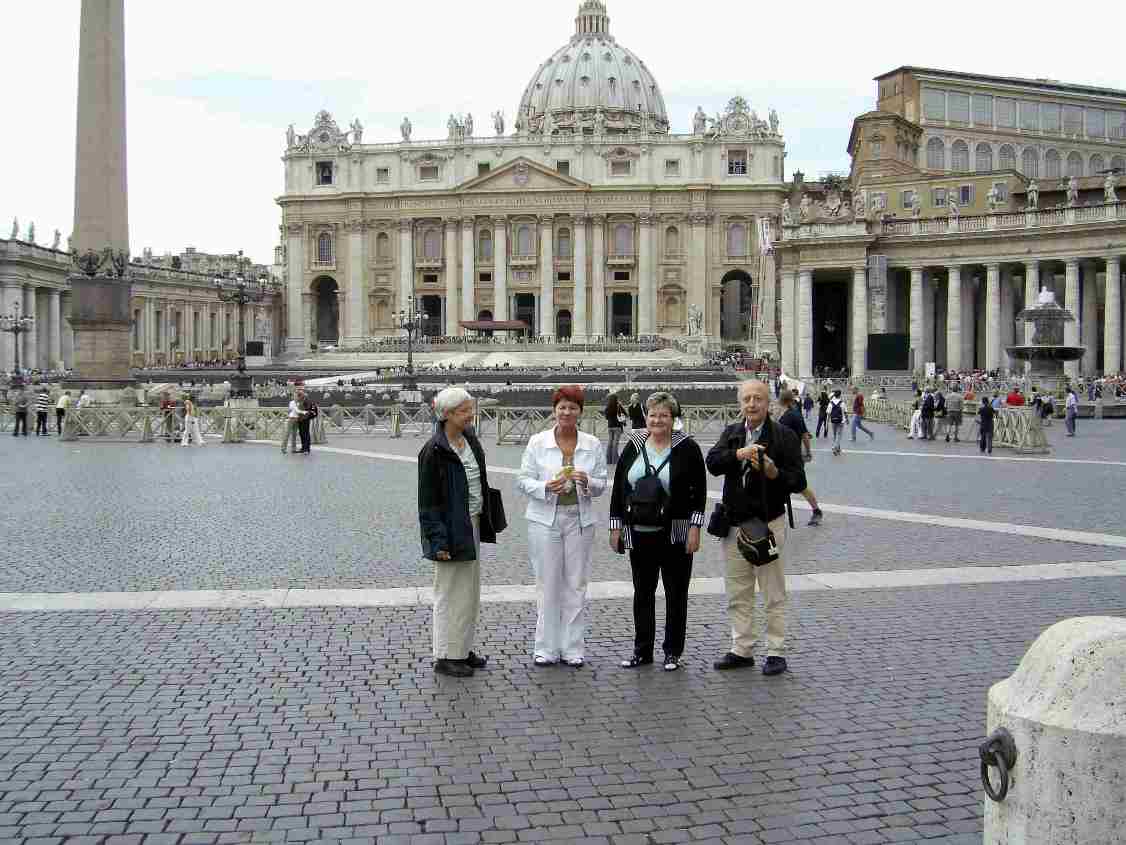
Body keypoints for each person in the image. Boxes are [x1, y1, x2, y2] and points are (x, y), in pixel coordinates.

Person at [707, 380, 806, 676]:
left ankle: (776, 650)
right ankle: (742, 648)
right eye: (747, 399)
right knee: (738, 590)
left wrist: (775, 473)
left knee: (773, 591)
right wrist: (737, 455)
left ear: (769, 403)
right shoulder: (733, 433)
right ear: (740, 403)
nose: (752, 404)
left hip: (768, 523)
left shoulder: (785, 436)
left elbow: (799, 481)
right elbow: (712, 462)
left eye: (758, 399)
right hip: (735, 523)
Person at [609, 391, 706, 672]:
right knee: (643, 593)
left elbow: (698, 492)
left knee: (676, 593)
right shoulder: (634, 444)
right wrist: (615, 527)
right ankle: (642, 651)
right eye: (653, 414)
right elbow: (619, 490)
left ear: (673, 419)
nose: (658, 420)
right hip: (638, 530)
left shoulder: (687, 447)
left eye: (664, 415)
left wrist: (695, 527)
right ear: (646, 417)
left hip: (676, 530)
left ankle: (673, 651)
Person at [517, 386, 608, 668]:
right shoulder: (537, 441)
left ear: (580, 411)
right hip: (545, 519)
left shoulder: (592, 443)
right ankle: (545, 647)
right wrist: (545, 486)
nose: (567, 412)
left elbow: (602, 483)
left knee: (576, 585)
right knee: (547, 585)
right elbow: (522, 480)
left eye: (572, 407)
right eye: (562, 407)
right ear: (554, 410)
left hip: (579, 519)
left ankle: (572, 647)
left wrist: (588, 482)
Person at [418, 387, 499, 678]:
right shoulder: (433, 451)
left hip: (472, 523)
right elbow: (428, 503)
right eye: (465, 411)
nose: (471, 415)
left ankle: (462, 648)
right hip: (450, 528)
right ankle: (445, 655)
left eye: (470, 409)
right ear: (448, 414)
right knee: (449, 592)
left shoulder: (470, 441)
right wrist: (437, 541)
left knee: (469, 593)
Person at [777, 389, 824, 526]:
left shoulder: (793, 415)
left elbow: (804, 435)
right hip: (784, 457)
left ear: (781, 400)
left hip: (793, 458)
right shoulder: (787, 413)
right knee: (784, 485)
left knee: (800, 486)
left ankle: (816, 511)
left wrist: (808, 451)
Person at [604, 394, 626, 465]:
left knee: (610, 443)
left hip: (610, 426)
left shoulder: (607, 407)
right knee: (615, 444)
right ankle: (615, 460)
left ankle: (608, 460)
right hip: (617, 426)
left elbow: (606, 417)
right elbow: (625, 414)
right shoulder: (618, 406)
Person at [282, 389, 303, 454]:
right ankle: (283, 448)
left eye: (296, 396)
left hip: (297, 419)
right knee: (287, 433)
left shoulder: (300, 403)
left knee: (294, 434)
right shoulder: (291, 403)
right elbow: (294, 410)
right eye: (294, 396)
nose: (295, 397)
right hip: (291, 419)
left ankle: (293, 449)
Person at [827, 389, 845, 455]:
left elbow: (828, 413)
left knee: (835, 435)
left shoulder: (831, 403)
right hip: (841, 421)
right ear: (840, 395)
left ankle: (838, 448)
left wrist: (827, 421)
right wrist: (847, 420)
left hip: (833, 420)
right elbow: (845, 412)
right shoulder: (842, 403)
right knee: (839, 435)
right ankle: (835, 447)